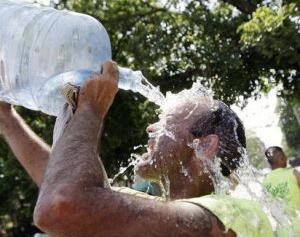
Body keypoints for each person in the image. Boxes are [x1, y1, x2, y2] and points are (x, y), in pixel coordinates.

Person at [0, 61, 275, 237]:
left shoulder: (234, 215)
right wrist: (8, 120)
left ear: (204, 145)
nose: (150, 128)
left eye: (165, 121)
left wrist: (91, 111)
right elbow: (57, 178)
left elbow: (60, 204)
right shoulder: (162, 210)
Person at [263, 146, 300, 236]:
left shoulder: (265, 181)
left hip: (283, 231)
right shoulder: (293, 173)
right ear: (281, 158)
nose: (286, 158)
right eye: (284, 156)